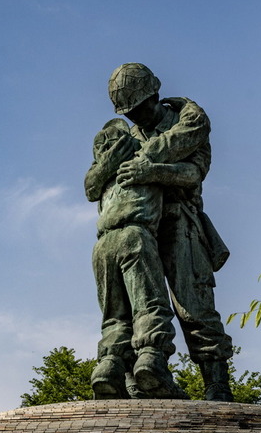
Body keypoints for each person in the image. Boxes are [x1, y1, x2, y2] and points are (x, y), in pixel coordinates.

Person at [86, 63, 235, 401]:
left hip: (179, 220)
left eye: (139, 107)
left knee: (194, 306)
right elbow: (93, 186)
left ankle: (216, 383)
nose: (135, 116)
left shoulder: (185, 126)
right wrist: (110, 165)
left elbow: (193, 175)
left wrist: (152, 171)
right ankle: (137, 380)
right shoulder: (128, 137)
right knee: (132, 302)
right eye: (129, 111)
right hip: (138, 226)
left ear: (154, 95)